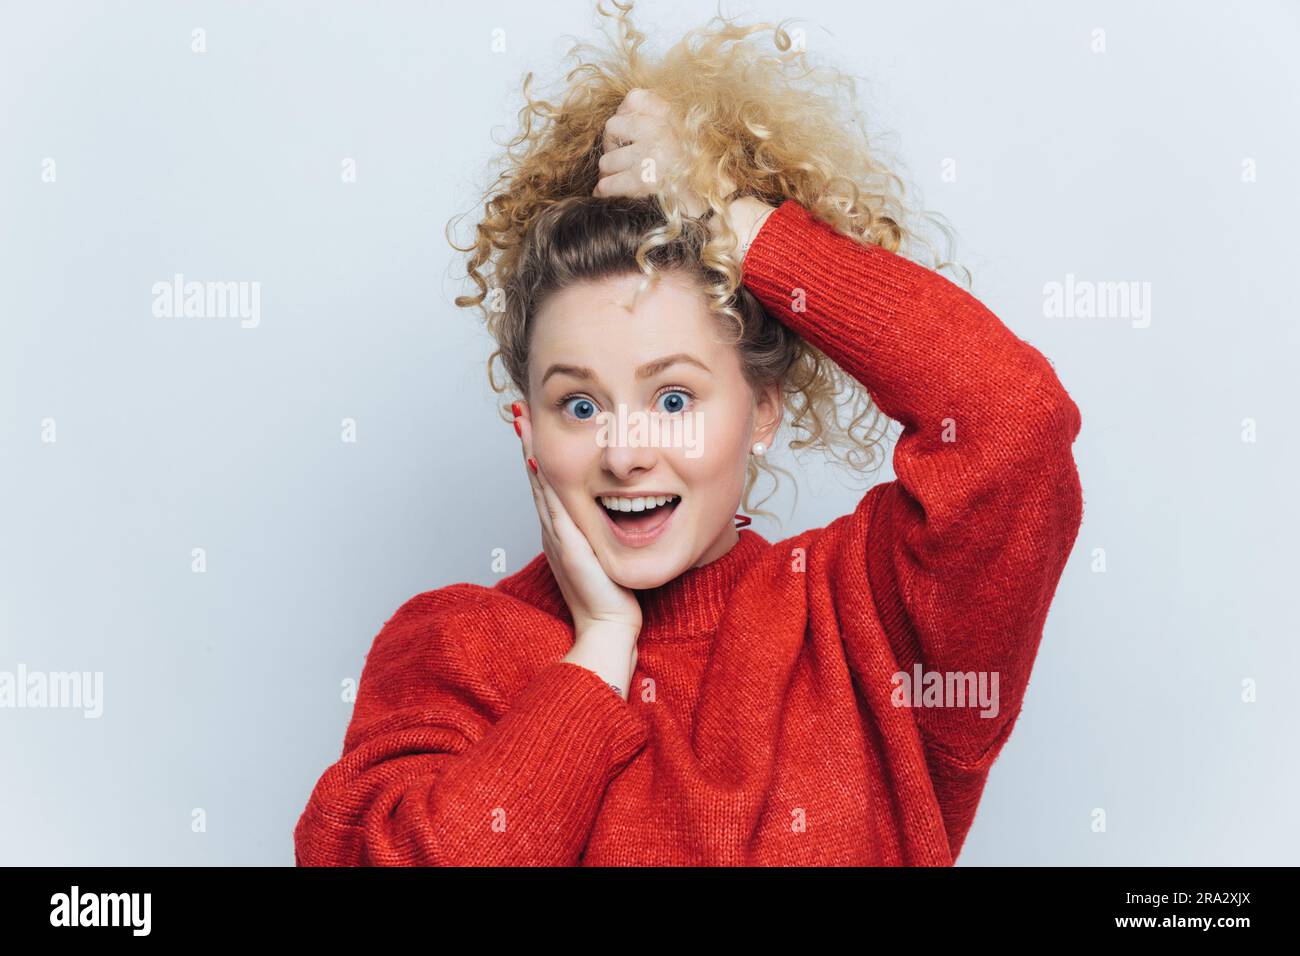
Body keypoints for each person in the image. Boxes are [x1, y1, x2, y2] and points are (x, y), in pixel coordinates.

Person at [294, 5, 1083, 866]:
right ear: (527, 429)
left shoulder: (865, 625)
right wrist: (596, 656)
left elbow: (1014, 421)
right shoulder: (455, 650)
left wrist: (736, 224)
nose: (627, 450)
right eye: (581, 405)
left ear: (764, 410)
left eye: (674, 399)